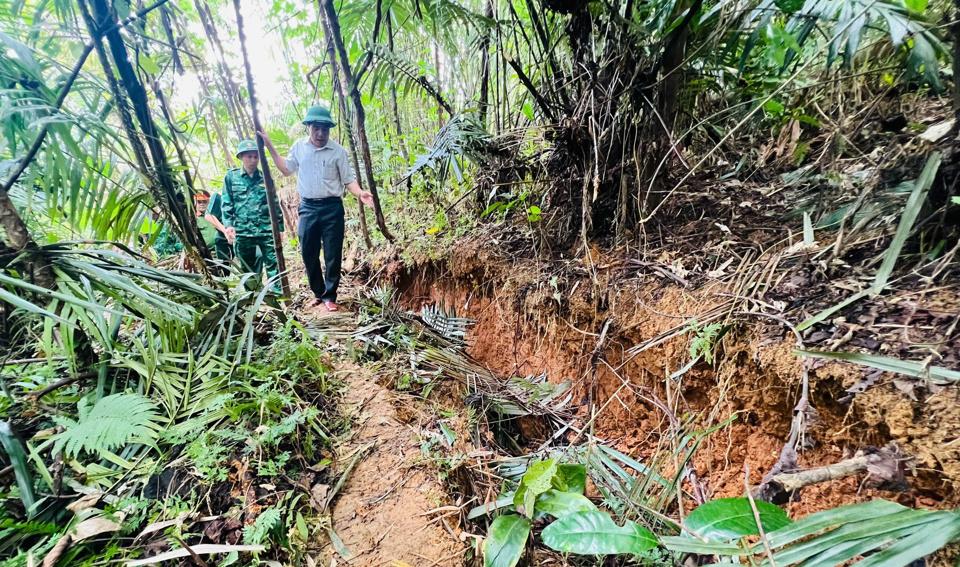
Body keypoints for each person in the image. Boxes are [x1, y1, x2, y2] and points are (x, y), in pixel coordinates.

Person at [259, 105, 374, 311]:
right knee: (308, 252)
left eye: (325, 129)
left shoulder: (338, 151)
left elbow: (348, 180)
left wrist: (360, 193)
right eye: (316, 128)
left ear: (329, 129)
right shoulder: (298, 147)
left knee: (332, 253)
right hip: (308, 207)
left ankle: (330, 296)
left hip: (332, 208)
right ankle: (318, 293)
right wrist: (269, 145)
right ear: (308, 127)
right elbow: (286, 169)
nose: (320, 133)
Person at [221, 139, 284, 292]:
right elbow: (227, 202)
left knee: (273, 264)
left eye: (256, 156)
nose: (253, 160)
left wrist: (280, 228)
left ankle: (277, 297)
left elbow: (274, 204)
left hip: (266, 230)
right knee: (247, 268)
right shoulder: (231, 177)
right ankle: (253, 296)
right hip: (243, 231)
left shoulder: (266, 178)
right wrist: (229, 226)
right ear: (241, 157)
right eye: (249, 156)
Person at [202, 188, 234, 262]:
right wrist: (225, 231)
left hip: (241, 239)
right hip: (223, 240)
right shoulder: (218, 198)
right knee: (224, 267)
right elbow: (209, 216)